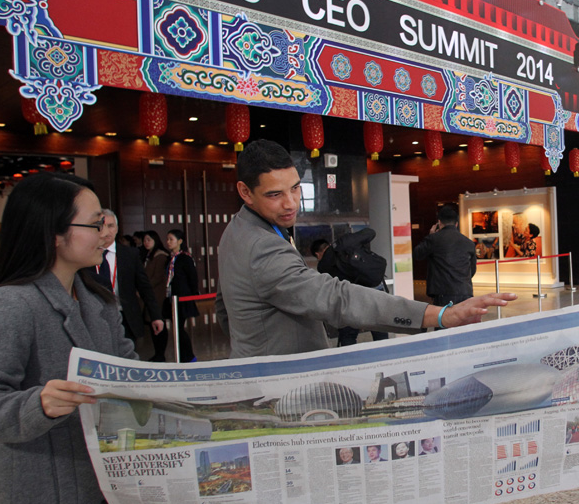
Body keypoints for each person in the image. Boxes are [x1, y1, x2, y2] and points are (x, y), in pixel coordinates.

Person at [215, 139, 516, 358]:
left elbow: (224, 307)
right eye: (275, 194)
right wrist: (436, 315)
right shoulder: (261, 245)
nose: (291, 203)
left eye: (295, 188)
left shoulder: (237, 232)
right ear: (245, 192)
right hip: (280, 381)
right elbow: (336, 297)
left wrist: (247, 347)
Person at [0, 173, 139, 504]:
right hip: (46, 502)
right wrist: (39, 404)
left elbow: (131, 369)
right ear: (54, 234)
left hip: (111, 497)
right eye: (95, 224)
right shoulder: (11, 305)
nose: (105, 234)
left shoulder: (99, 301)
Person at [91, 210, 164, 344]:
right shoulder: (87, 255)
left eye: (111, 226)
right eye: (102, 225)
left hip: (126, 316)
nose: (107, 231)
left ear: (117, 228)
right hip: (96, 317)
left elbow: (144, 286)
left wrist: (155, 316)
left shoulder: (130, 254)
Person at [311, 237, 389, 346]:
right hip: (374, 292)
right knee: (380, 332)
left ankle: (350, 360)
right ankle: (385, 359)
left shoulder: (324, 264)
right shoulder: (346, 249)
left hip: (352, 300)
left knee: (348, 335)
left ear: (318, 254)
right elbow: (370, 233)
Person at [413, 204, 477, 306]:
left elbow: (417, 254)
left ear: (439, 222)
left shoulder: (434, 239)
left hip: (443, 293)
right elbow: (472, 270)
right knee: (464, 321)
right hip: (465, 292)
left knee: (445, 321)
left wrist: (431, 235)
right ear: (456, 224)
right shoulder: (468, 242)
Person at [163, 229, 197, 362]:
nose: (168, 242)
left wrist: (193, 294)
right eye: (167, 239)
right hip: (171, 296)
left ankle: (188, 356)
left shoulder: (185, 258)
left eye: (171, 239)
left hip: (182, 297)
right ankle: (183, 355)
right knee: (176, 328)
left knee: (179, 328)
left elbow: (192, 278)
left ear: (180, 241)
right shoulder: (170, 258)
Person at [142, 230, 170, 361]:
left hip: (157, 294)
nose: (146, 243)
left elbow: (158, 277)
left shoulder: (161, 256)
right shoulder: (149, 255)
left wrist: (143, 288)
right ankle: (157, 353)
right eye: (144, 240)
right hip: (150, 294)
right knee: (153, 324)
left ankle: (161, 353)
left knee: (159, 323)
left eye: (149, 240)